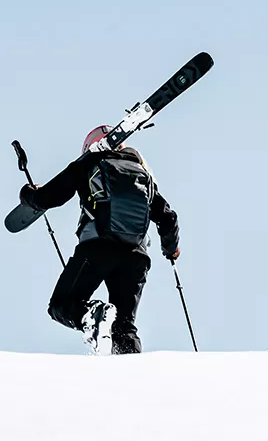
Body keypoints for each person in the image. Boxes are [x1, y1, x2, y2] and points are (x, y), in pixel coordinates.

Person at [18, 125, 180, 355]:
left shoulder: (88, 162)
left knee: (62, 305)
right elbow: (168, 218)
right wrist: (171, 250)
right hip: (136, 257)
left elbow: (49, 197)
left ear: (89, 146)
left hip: (98, 246)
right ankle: (133, 367)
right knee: (124, 326)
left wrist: (29, 195)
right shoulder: (142, 175)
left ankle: (91, 316)